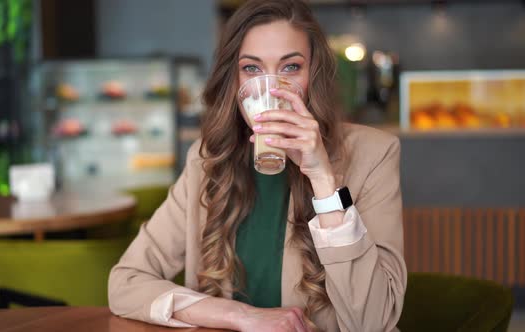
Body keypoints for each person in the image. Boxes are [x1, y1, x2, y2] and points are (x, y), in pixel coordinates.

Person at [108, 0, 406, 331]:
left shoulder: (374, 154)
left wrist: (323, 179)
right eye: (252, 69)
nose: (272, 91)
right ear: (233, 81)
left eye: (291, 67)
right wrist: (240, 315)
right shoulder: (207, 160)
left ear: (313, 74)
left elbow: (373, 322)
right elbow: (127, 281)